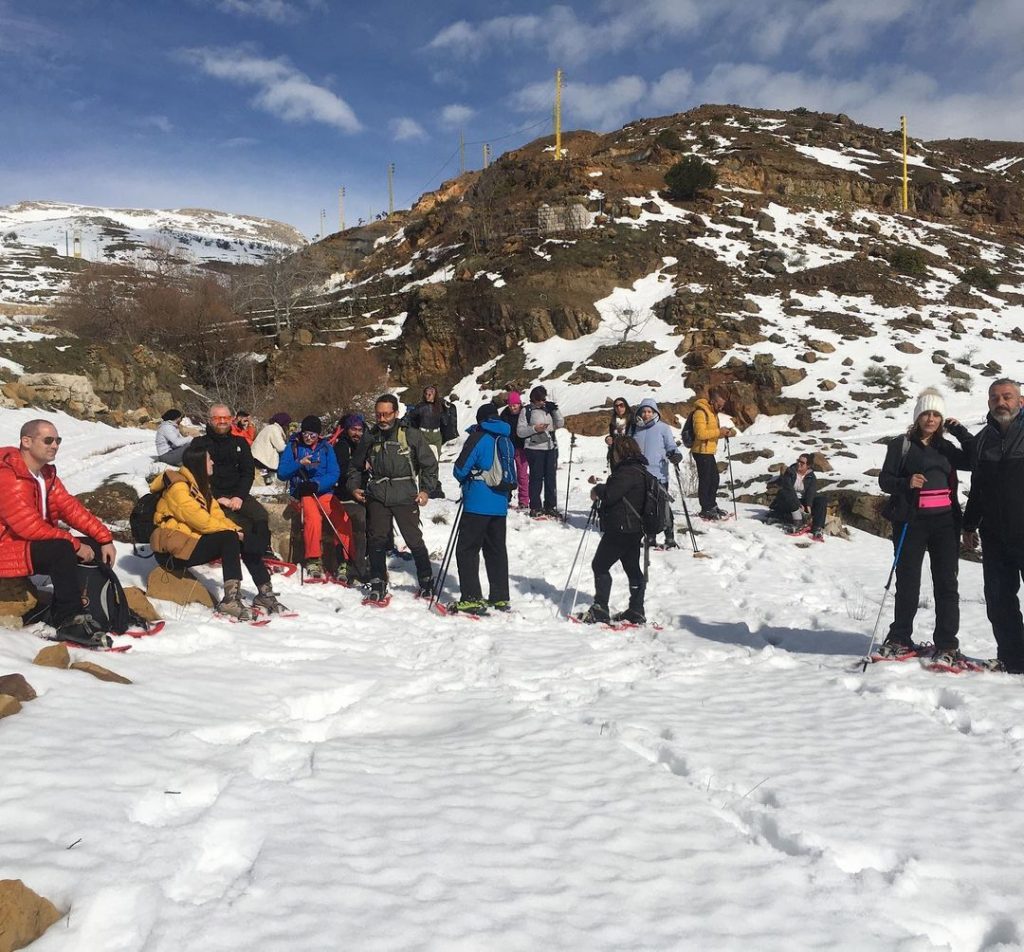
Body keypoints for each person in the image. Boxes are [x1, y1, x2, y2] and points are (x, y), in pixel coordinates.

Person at [0, 418, 118, 645]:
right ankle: (68, 620)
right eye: (48, 440)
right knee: (62, 549)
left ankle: (98, 609)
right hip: (6, 547)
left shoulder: (46, 476)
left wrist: (104, 537)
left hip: (26, 546)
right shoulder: (8, 476)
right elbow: (27, 525)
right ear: (26, 441)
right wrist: (73, 544)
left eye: (58, 440)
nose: (54, 445)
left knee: (92, 545)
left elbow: (72, 510)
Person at [876, 388, 971, 667]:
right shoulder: (901, 445)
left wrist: (960, 431)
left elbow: (975, 460)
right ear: (917, 417)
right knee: (907, 582)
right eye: (926, 414)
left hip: (945, 523)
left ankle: (947, 645)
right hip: (911, 520)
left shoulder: (946, 448)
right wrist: (906, 482)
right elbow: (885, 480)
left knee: (946, 584)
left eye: (936, 415)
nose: (931, 419)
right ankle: (900, 638)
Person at [150, 443, 286, 620]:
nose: (213, 462)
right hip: (172, 552)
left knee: (236, 536)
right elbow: (201, 521)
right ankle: (230, 600)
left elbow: (218, 517)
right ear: (199, 463)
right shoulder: (178, 488)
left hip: (189, 543)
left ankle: (265, 593)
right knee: (229, 538)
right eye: (209, 459)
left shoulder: (201, 487)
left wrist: (240, 533)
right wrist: (234, 534)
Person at [351, 393, 439, 602]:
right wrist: (354, 487)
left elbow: (429, 464)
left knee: (413, 539)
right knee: (376, 539)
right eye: (378, 415)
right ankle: (378, 581)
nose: (381, 419)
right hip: (378, 494)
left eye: (386, 415)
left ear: (396, 413)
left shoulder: (411, 435)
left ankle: (426, 580)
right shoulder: (370, 436)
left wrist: (426, 490)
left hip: (405, 494)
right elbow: (355, 466)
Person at [962, 378, 1024, 673]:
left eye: (1007, 397)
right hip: (995, 534)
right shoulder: (983, 439)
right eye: (995, 398)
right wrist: (969, 524)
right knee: (999, 598)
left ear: (1020, 401)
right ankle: (1013, 660)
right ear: (988, 403)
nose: (1001, 402)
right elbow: (978, 486)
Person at [579, 436, 649, 625]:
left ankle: (600, 609)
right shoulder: (640, 469)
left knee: (600, 565)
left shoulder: (626, 472)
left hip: (620, 528)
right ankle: (636, 609)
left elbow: (610, 495)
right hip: (635, 528)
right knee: (632, 569)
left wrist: (597, 489)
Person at [450, 403, 513, 614]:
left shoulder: (479, 437)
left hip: (477, 502)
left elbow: (460, 469)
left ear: (481, 420)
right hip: (500, 504)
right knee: (496, 551)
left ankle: (471, 597)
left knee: (467, 550)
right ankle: (500, 597)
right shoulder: (505, 439)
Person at [193, 403, 273, 565]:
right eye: (218, 418)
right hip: (210, 495)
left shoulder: (240, 443)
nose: (222, 421)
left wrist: (239, 496)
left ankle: (265, 549)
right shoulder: (199, 444)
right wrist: (216, 497)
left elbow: (248, 472)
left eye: (226, 418)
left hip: (237, 493)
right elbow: (195, 475)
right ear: (210, 420)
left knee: (260, 515)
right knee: (234, 520)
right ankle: (236, 550)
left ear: (231, 420)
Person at [277, 415, 350, 580]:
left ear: (319, 435)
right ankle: (313, 560)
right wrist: (299, 463)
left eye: (313, 435)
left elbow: (334, 473)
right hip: (303, 492)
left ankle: (343, 560)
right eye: (306, 434)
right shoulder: (293, 446)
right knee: (312, 518)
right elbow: (282, 473)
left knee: (342, 518)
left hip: (322, 492)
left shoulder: (326, 448)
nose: (309, 438)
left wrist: (318, 484)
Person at [632, 398, 681, 549]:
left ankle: (670, 537)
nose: (646, 414)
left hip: (659, 474)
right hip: (641, 474)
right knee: (646, 507)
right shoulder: (635, 428)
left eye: (649, 411)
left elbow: (671, 446)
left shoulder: (663, 428)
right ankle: (650, 537)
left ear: (654, 412)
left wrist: (675, 455)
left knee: (663, 506)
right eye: (644, 411)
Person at [332, 413, 372, 584]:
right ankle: (355, 566)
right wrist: (361, 467)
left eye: (359, 430)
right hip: (345, 494)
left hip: (364, 493)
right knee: (358, 523)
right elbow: (340, 472)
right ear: (347, 430)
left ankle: (370, 560)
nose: (357, 433)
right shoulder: (341, 446)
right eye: (353, 430)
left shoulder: (367, 445)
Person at [517, 385, 564, 518]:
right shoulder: (527, 410)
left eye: (544, 399)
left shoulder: (548, 409)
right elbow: (520, 432)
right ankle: (535, 507)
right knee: (536, 478)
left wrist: (555, 409)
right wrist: (534, 429)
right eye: (540, 399)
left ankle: (550, 506)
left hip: (550, 448)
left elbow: (560, 424)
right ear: (534, 399)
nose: (543, 402)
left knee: (550, 478)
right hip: (534, 448)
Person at [690, 386, 736, 520]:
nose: (721, 408)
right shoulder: (700, 412)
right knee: (706, 480)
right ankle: (705, 508)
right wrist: (719, 432)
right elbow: (700, 433)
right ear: (713, 401)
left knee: (714, 479)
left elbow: (711, 433)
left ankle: (711, 505)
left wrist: (724, 433)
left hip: (709, 450)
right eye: (720, 405)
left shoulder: (712, 413)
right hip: (701, 451)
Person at [407, 385, 457, 498]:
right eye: (427, 393)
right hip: (422, 434)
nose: (429, 395)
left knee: (434, 463)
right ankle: (422, 489)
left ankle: (433, 488)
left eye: (431, 392)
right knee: (421, 461)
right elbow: (411, 417)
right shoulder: (420, 407)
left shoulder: (440, 406)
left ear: (435, 394)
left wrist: (446, 409)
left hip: (436, 435)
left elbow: (445, 421)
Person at [768, 454, 827, 542]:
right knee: (784, 493)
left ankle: (817, 528)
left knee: (822, 500)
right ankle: (798, 522)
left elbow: (811, 491)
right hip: (789, 503)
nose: (799, 464)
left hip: (802, 502)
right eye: (798, 461)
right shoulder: (790, 472)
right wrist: (798, 505)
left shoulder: (811, 476)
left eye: (802, 463)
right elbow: (789, 490)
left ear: (808, 466)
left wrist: (808, 505)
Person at [499, 391, 530, 510]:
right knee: (507, 473)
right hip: (508, 447)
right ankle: (506, 497)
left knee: (522, 475)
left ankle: (523, 501)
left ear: (519, 403)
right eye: (510, 405)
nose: (512, 408)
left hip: (522, 448)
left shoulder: (525, 413)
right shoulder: (505, 414)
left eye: (515, 405)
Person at [251, 412, 291, 485]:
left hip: (259, 461)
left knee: (265, 480)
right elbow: (281, 447)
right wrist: (291, 447)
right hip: (261, 462)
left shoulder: (270, 428)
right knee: (262, 483)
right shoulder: (274, 429)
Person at [605, 397, 635, 468]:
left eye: (621, 405)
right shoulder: (613, 421)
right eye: (616, 406)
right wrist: (608, 438)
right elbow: (612, 435)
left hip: (629, 453)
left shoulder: (633, 420)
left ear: (626, 406)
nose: (619, 408)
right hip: (615, 454)